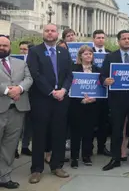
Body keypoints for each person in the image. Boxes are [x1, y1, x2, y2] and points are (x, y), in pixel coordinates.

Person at [27, 24, 73, 184]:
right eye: (47, 30)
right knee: (39, 135)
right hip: (42, 99)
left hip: (61, 99)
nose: (50, 33)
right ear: (43, 33)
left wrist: (63, 90)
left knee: (59, 133)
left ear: (57, 34)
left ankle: (57, 165)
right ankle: (36, 169)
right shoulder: (34, 51)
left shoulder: (64, 52)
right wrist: (50, 91)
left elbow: (69, 75)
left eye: (53, 31)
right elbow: (35, 74)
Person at [100, 30, 129, 171]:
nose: (127, 40)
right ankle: (115, 158)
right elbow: (102, 75)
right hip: (117, 100)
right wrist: (105, 81)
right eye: (124, 39)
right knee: (116, 130)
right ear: (119, 41)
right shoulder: (111, 57)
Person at [0, 36, 33, 189]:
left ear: (10, 47)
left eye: (5, 45)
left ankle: (4, 177)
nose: (2, 47)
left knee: (10, 146)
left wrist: (19, 89)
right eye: (0, 45)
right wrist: (7, 91)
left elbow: (29, 79)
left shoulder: (21, 63)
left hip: (17, 111)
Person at [70, 45, 100, 168]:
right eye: (86, 54)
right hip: (77, 105)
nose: (88, 56)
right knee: (76, 132)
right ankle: (74, 157)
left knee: (89, 132)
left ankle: (86, 156)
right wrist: (81, 100)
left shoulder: (97, 69)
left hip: (92, 105)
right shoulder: (74, 69)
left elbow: (100, 87)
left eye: (90, 54)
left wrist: (95, 98)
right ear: (80, 56)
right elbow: (71, 86)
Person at [91, 30, 111, 157]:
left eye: (103, 37)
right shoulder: (88, 52)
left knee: (104, 121)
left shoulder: (110, 53)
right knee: (91, 121)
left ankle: (101, 146)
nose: (100, 40)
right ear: (93, 39)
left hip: (105, 91)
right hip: (91, 90)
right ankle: (89, 147)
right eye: (98, 37)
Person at [16, 41, 34, 157]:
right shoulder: (14, 62)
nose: (22, 51)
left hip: (31, 95)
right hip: (18, 95)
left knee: (29, 123)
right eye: (21, 49)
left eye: (25, 49)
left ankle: (25, 146)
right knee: (18, 124)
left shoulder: (33, 62)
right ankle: (13, 149)